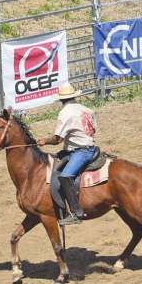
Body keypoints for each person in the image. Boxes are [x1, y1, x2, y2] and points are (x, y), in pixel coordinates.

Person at [37, 83, 98, 226]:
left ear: (61, 100)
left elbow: (57, 139)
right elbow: (94, 129)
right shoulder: (86, 109)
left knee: (65, 176)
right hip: (89, 146)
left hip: (81, 151)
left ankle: (77, 213)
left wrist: (44, 141)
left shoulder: (65, 112)